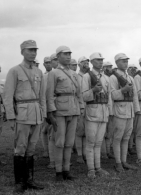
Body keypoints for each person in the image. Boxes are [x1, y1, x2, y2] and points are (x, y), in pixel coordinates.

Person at [3, 40, 46, 193]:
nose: (33, 53)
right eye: (29, 50)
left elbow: (42, 96)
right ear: (22, 52)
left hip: (36, 114)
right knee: (20, 148)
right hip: (22, 114)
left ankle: (29, 179)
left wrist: (43, 113)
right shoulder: (15, 71)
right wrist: (11, 117)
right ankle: (19, 182)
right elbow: (7, 95)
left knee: (32, 148)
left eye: (35, 50)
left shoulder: (39, 72)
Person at [46, 46, 83, 181]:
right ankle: (58, 171)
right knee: (59, 142)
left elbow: (78, 94)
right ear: (58, 56)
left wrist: (81, 108)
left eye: (69, 54)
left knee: (69, 142)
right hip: (60, 110)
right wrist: (50, 112)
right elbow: (49, 94)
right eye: (65, 54)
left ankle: (66, 170)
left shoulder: (74, 73)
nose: (68, 57)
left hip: (73, 109)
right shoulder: (54, 73)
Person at [82, 52, 111, 178]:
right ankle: (91, 169)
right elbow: (83, 96)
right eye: (97, 60)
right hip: (92, 111)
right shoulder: (87, 76)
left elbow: (109, 96)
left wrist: (109, 111)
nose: (100, 62)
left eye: (101, 60)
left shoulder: (106, 78)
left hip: (104, 111)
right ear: (92, 62)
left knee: (99, 142)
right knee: (90, 142)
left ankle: (98, 167)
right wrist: (93, 90)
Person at [109, 53, 140, 172]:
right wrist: (123, 90)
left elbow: (135, 95)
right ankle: (118, 163)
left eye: (126, 61)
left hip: (130, 109)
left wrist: (136, 110)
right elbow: (113, 95)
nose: (125, 63)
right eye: (123, 61)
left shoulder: (130, 77)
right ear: (117, 63)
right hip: (119, 108)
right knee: (118, 137)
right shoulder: (113, 77)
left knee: (126, 137)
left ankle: (124, 161)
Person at [75, 56, 89, 163]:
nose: (86, 64)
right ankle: (79, 155)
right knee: (79, 131)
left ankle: (85, 153)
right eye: (83, 62)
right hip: (80, 105)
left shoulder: (89, 76)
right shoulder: (76, 76)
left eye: (87, 62)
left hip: (90, 106)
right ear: (79, 65)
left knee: (87, 132)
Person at [102, 61, 115, 159]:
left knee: (110, 132)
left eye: (110, 67)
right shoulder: (102, 78)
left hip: (112, 107)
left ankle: (108, 150)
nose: (110, 69)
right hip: (104, 107)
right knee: (103, 132)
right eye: (108, 67)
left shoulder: (112, 78)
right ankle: (103, 152)